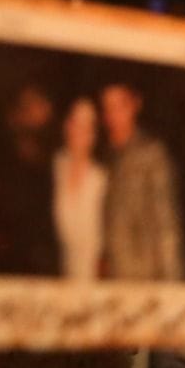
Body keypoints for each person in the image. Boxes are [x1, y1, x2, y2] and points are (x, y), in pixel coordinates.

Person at [0, 81, 60, 276]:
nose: (43, 110)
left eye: (43, 104)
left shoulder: (52, 163)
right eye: (32, 105)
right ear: (15, 116)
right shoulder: (2, 166)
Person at [100, 81, 185, 282]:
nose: (113, 115)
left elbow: (167, 224)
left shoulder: (152, 154)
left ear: (135, 105)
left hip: (144, 276)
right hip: (111, 277)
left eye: (120, 106)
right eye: (107, 107)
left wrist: (172, 282)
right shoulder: (103, 156)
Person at [52, 97, 107, 280]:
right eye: (75, 122)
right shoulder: (54, 168)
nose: (79, 132)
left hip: (91, 281)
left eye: (87, 126)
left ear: (94, 134)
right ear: (66, 125)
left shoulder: (102, 179)